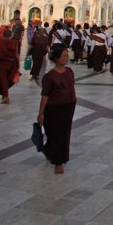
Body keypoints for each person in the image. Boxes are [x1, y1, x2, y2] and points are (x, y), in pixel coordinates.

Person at [37, 46, 77, 175]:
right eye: (64, 56)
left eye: (67, 55)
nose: (66, 58)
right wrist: (41, 113)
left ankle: (53, 153)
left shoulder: (69, 71)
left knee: (64, 134)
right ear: (56, 58)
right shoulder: (49, 77)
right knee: (56, 134)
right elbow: (45, 95)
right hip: (54, 108)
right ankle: (58, 163)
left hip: (68, 107)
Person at [0, 29, 19, 104]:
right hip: (11, 64)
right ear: (11, 35)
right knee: (7, 80)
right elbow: (16, 55)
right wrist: (18, 65)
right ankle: (4, 95)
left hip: (2, 64)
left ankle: (6, 97)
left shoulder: (0, 42)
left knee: (3, 80)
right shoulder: (15, 42)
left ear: (3, 35)